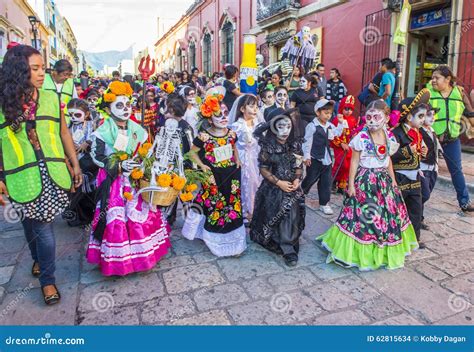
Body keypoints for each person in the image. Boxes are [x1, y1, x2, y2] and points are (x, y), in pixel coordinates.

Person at [0, 45, 82, 305]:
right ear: (17, 71)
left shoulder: (49, 97)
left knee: (43, 226)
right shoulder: (3, 105)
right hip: (20, 176)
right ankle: (37, 259)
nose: (41, 74)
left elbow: (64, 132)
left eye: (42, 68)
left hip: (51, 173)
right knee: (28, 222)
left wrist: (74, 163)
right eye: (34, 69)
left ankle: (47, 280)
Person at [318, 99, 418, 270]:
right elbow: (354, 162)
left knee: (385, 218)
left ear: (386, 118)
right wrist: (351, 185)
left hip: (384, 182)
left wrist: (393, 180)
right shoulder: (361, 138)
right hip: (365, 181)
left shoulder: (390, 137)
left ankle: (381, 251)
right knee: (363, 217)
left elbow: (387, 161)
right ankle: (358, 251)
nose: (372, 121)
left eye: (376, 117)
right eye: (368, 117)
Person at [87, 80, 171, 276]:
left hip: (135, 179)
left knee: (140, 214)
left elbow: (146, 152)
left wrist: (143, 164)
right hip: (113, 183)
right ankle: (119, 261)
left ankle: (142, 255)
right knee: (116, 218)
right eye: (119, 105)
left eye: (127, 104)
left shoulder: (137, 129)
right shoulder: (103, 131)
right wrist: (117, 165)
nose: (125, 109)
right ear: (108, 108)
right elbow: (96, 157)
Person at [182, 94, 246, 257]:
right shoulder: (203, 136)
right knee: (216, 204)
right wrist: (202, 165)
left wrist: (237, 160)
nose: (223, 118)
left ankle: (235, 240)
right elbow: (191, 154)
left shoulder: (231, 133)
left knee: (233, 204)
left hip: (232, 174)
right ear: (210, 119)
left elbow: (234, 148)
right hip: (212, 176)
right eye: (218, 115)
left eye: (225, 113)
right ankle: (215, 239)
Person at [250, 112, 305, 267]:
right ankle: (281, 242)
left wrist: (297, 178)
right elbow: (264, 168)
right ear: (274, 128)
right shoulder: (268, 146)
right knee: (275, 213)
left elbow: (298, 165)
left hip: (291, 186)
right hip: (273, 187)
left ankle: (288, 246)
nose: (285, 131)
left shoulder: (294, 144)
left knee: (291, 214)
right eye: (281, 126)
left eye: (288, 126)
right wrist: (279, 182)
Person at [427, 65, 473, 212]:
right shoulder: (427, 93)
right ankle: (418, 206)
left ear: (447, 79)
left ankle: (464, 202)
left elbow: (470, 113)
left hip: (452, 139)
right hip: (431, 139)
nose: (433, 80)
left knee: (456, 171)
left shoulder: (459, 92)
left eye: (437, 78)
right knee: (427, 171)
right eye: (432, 77)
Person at [392, 89, 431, 248]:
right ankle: (395, 236)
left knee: (416, 207)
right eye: (420, 116)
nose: (423, 120)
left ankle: (414, 238)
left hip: (414, 177)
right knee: (397, 208)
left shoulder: (418, 132)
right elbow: (390, 155)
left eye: (424, 116)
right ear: (409, 117)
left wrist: (423, 152)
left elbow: (419, 152)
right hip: (400, 177)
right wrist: (408, 151)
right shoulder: (395, 133)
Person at [301, 99, 344, 215]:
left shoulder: (329, 125)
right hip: (315, 158)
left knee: (326, 181)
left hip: (326, 158)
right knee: (310, 178)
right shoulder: (312, 126)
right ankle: (300, 194)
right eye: (325, 113)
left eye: (330, 113)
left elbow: (336, 133)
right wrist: (307, 156)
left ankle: (324, 203)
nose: (328, 116)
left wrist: (340, 123)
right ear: (318, 112)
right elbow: (307, 141)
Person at [64, 98, 98, 227]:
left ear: (87, 114)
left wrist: (87, 142)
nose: (73, 117)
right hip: (72, 163)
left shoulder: (91, 125)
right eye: (71, 114)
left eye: (77, 115)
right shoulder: (68, 126)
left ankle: (87, 217)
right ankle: (75, 217)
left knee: (86, 192)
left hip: (87, 164)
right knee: (74, 190)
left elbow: (95, 138)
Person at [229, 94, 262, 223]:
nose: (255, 109)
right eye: (251, 106)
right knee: (245, 183)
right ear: (242, 109)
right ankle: (245, 211)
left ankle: (254, 209)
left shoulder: (257, 124)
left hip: (255, 157)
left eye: (256, 106)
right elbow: (232, 144)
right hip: (242, 158)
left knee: (256, 183)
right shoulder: (237, 125)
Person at [164, 94, 195, 226]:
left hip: (183, 165)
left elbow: (191, 146)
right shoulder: (169, 124)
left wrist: (191, 166)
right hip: (170, 164)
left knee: (185, 193)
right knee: (170, 191)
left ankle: (190, 220)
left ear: (173, 110)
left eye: (169, 109)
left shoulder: (185, 127)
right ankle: (169, 216)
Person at [330, 95, 359, 193]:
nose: (348, 111)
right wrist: (341, 143)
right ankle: (332, 181)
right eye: (346, 108)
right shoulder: (336, 120)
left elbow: (354, 131)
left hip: (349, 146)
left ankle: (342, 185)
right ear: (342, 107)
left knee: (348, 166)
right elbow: (333, 134)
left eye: (350, 109)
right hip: (339, 146)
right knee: (340, 164)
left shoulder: (353, 120)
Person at [420, 105, 440, 231]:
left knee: (426, 194)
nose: (432, 117)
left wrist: (437, 167)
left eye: (433, 115)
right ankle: (415, 218)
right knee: (424, 194)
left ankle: (419, 218)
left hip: (432, 167)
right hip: (423, 167)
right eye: (429, 115)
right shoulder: (419, 132)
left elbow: (436, 149)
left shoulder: (432, 131)